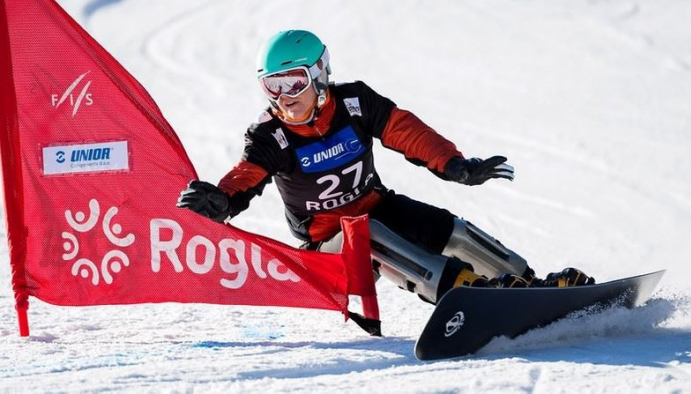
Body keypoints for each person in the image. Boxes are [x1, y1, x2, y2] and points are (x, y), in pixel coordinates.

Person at [177, 30, 594, 304]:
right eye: (274, 85)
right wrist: (221, 200)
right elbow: (246, 175)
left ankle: (529, 284)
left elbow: (404, 130)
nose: (285, 97)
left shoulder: (355, 103)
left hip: (373, 206)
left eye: (295, 82)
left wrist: (453, 164)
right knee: (366, 230)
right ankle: (466, 294)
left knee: (446, 228)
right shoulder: (271, 136)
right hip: (329, 249)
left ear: (320, 76)